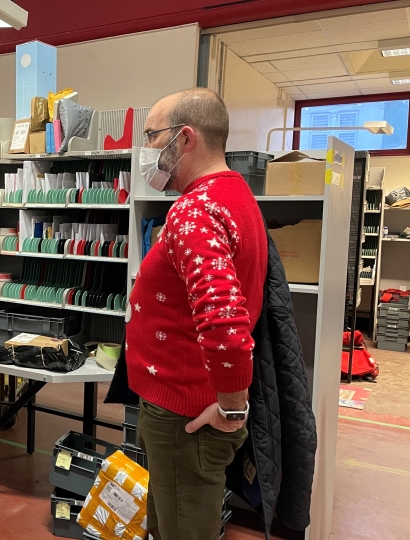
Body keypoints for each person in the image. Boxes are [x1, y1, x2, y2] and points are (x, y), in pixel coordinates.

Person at [126, 88, 268, 540]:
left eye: (151, 136)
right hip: (189, 406)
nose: (146, 150)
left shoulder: (197, 210)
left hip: (184, 416)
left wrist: (232, 408)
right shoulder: (234, 195)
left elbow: (224, 323)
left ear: (185, 138)